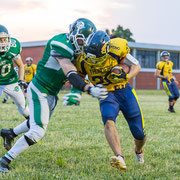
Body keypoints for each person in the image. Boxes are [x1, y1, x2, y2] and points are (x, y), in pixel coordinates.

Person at [0, 18, 108, 173]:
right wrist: (88, 89)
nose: (82, 45)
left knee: (35, 122)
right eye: (80, 40)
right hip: (40, 89)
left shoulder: (81, 52)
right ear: (72, 34)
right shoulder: (60, 43)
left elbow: (82, 72)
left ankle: (9, 133)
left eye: (85, 42)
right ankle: (5, 160)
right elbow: (69, 71)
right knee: (38, 131)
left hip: (51, 93)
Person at [75, 30, 146, 171]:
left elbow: (136, 66)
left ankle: (138, 151)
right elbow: (79, 77)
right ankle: (119, 157)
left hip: (124, 91)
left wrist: (126, 76)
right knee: (108, 120)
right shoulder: (83, 59)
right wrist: (85, 89)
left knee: (139, 133)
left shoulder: (116, 49)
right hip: (105, 92)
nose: (93, 60)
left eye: (97, 57)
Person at [0, 25, 29, 150]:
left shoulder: (13, 47)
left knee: (24, 109)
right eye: (0, 40)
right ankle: (4, 133)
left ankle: (30, 127)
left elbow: (20, 65)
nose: (3, 42)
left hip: (11, 81)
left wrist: (21, 80)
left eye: (5, 39)